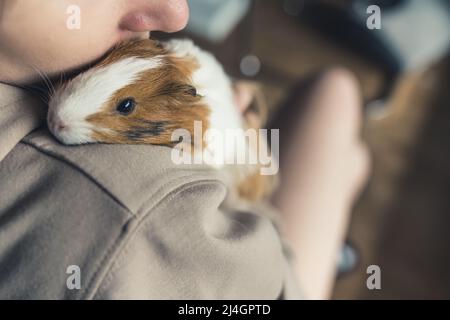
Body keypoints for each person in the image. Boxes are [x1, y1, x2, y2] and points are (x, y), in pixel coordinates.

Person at [0, 0, 369, 299]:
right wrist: (254, 182)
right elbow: (274, 279)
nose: (176, 13)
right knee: (336, 94)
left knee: (350, 159)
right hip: (260, 258)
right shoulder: (143, 212)